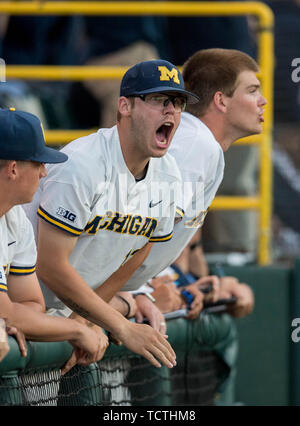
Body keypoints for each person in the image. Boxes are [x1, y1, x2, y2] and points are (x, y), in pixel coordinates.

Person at [24, 59, 199, 368]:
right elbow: (49, 265)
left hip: (67, 317)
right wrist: (121, 327)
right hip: (21, 310)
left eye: (178, 102)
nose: (171, 110)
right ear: (124, 106)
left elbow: (138, 252)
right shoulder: (82, 165)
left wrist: (85, 318)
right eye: (159, 100)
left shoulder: (168, 174)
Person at [120, 48, 266, 325]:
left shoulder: (199, 142)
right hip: (79, 292)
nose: (263, 101)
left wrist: (184, 283)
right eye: (252, 90)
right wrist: (144, 293)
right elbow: (133, 229)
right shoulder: (196, 143)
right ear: (221, 101)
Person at [0, 108, 108, 374]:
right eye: (38, 163)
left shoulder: (14, 218)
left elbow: (30, 304)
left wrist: (19, 321)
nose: (45, 173)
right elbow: (10, 313)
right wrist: (75, 329)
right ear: (13, 169)